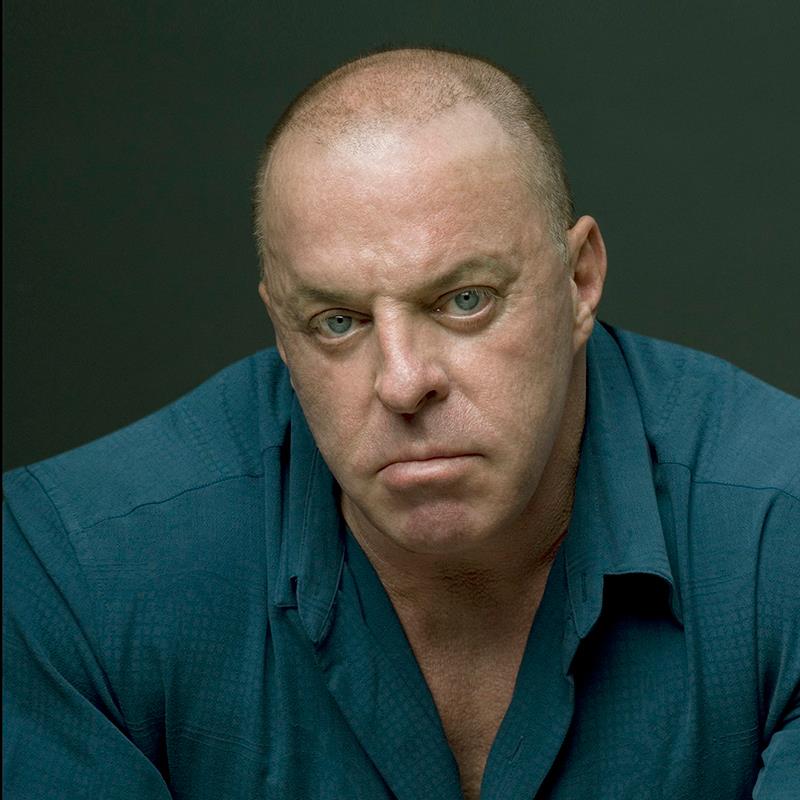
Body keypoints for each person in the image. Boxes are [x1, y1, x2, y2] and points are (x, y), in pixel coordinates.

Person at [3, 47, 798, 800]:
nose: (404, 381)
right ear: (281, 329)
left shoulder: (777, 527)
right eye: (337, 322)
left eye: (465, 301)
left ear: (579, 280)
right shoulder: (74, 577)